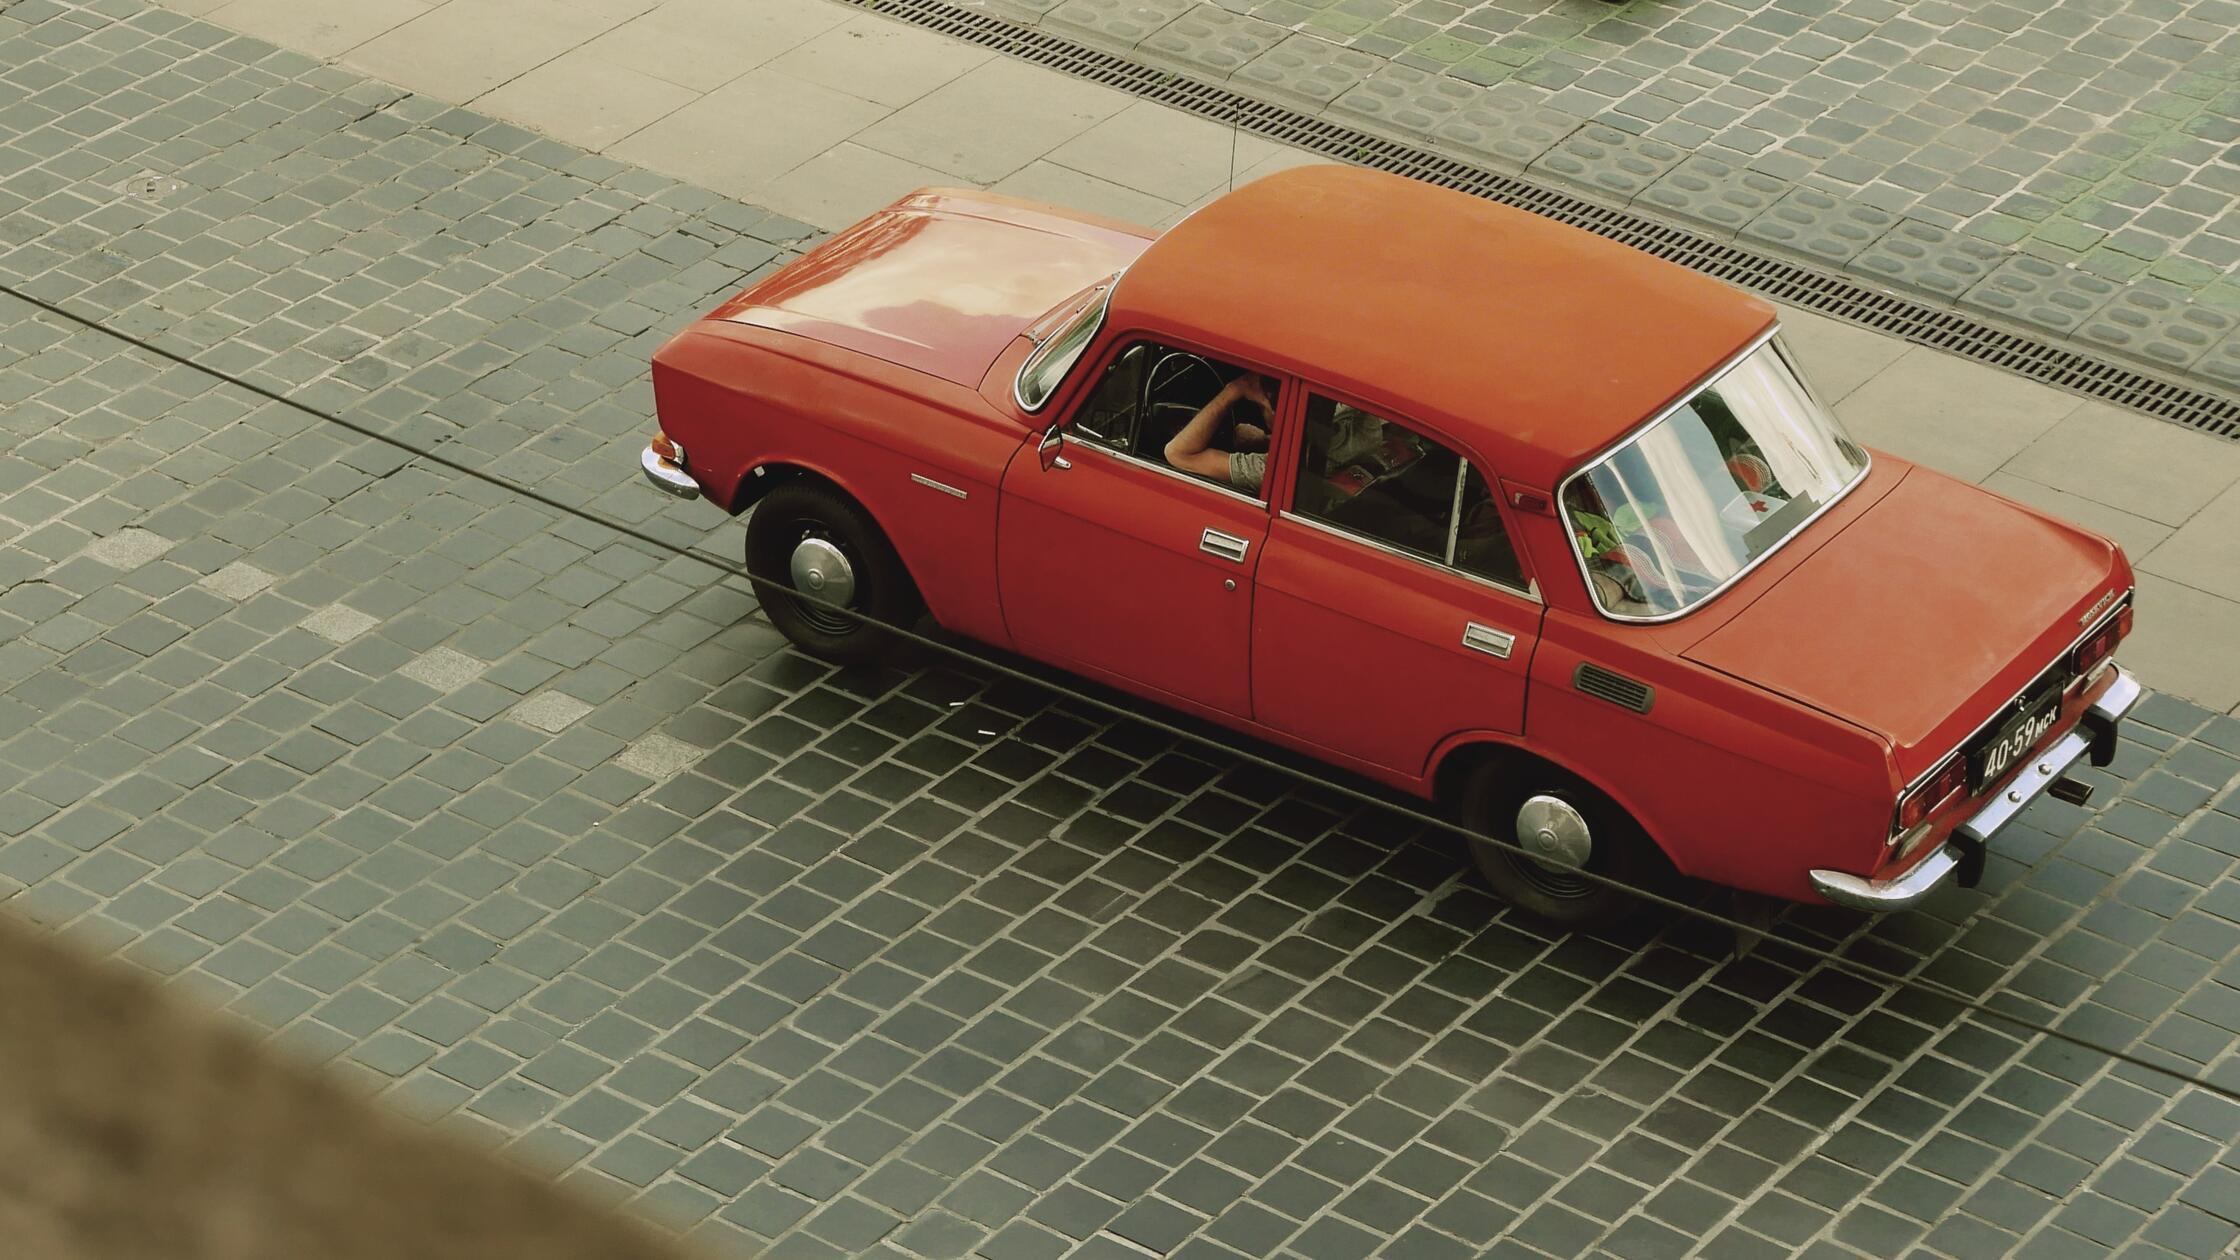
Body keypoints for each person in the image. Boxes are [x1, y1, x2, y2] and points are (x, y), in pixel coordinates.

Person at [1164, 372, 1273, 493]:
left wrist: (1234, 390)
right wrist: (1266, 441)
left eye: (1260, 406)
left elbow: (1178, 454)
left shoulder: (1263, 469)